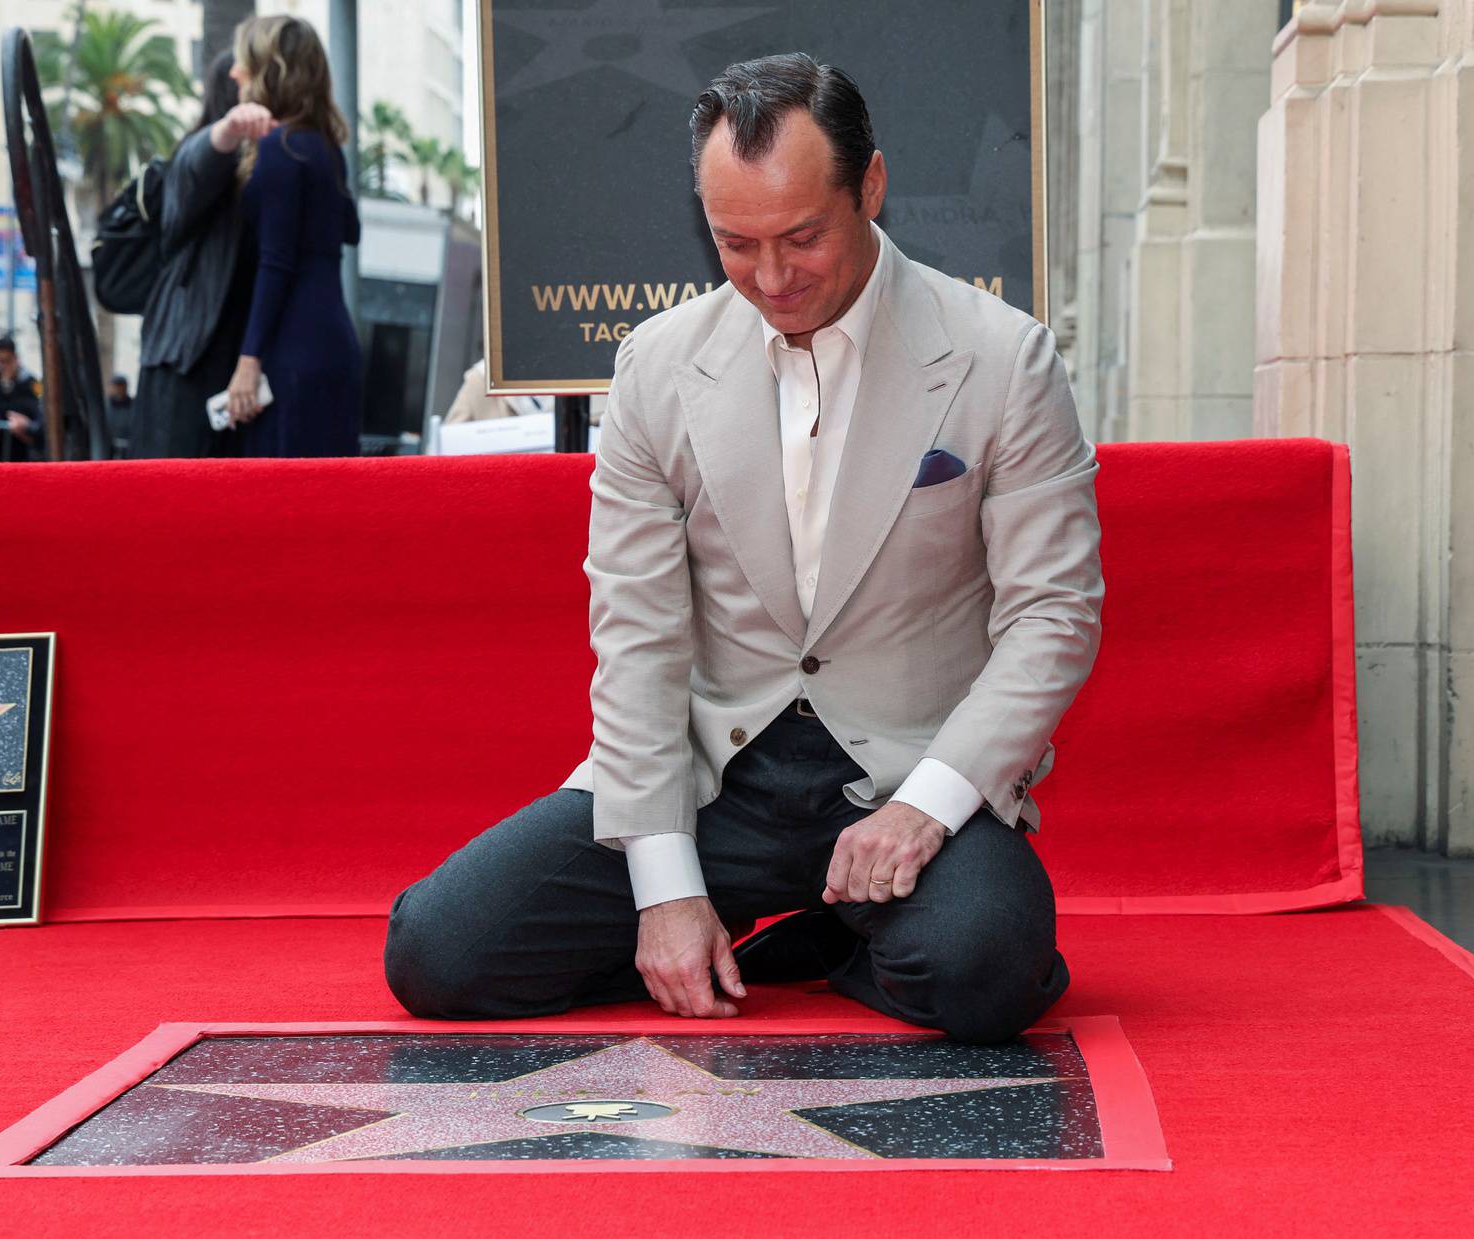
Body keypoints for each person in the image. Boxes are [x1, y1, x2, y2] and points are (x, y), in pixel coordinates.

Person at [386, 55, 1105, 1044]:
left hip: (903, 771)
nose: (772, 278)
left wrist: (927, 810)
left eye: (804, 236)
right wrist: (667, 886)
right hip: (712, 777)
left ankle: (841, 932)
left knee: (983, 971)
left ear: (873, 186)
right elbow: (638, 635)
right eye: (736, 243)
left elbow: (1052, 617)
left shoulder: (1003, 357)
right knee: (438, 950)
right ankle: (761, 922)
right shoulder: (656, 367)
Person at [223, 16, 361, 458]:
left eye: (244, 63)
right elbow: (349, 230)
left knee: (282, 507)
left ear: (270, 71)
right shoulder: (324, 147)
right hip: (333, 341)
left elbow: (276, 262)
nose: (234, 74)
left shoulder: (279, 149)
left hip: (291, 352)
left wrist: (248, 361)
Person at [133, 53, 262, 460]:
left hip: (215, 352)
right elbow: (197, 167)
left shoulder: (265, 157)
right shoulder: (203, 151)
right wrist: (230, 128)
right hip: (189, 358)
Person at [105, 374, 137, 456]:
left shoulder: (135, 405)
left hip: (130, 447)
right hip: (109, 448)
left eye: (121, 385)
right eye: (116, 386)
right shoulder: (104, 406)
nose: (118, 389)